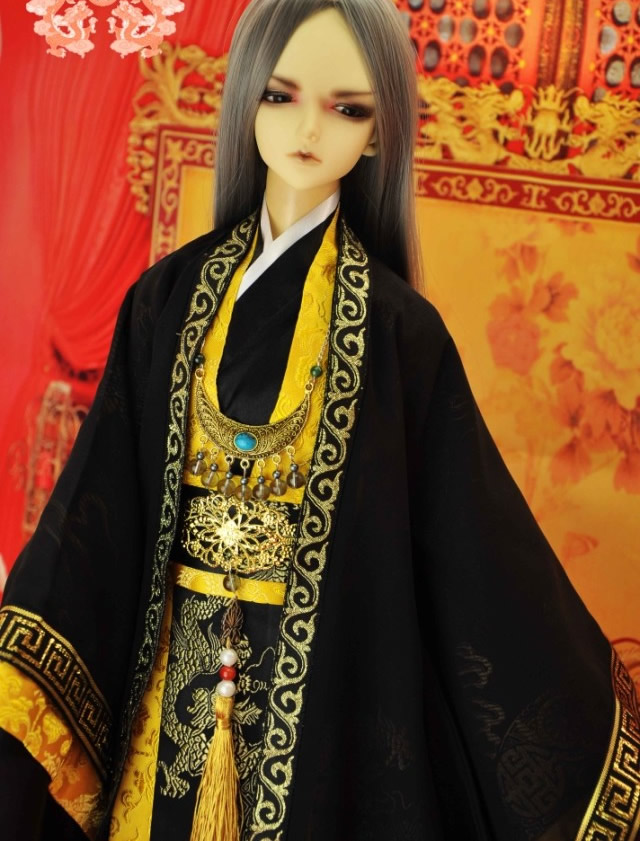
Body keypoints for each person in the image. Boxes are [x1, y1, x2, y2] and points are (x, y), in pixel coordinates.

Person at [1, 1, 638, 839]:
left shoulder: (401, 334)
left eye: (346, 108)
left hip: (327, 705)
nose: (308, 128)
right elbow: (97, 512)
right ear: (246, 100)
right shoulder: (165, 300)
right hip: (165, 693)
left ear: (377, 134)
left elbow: (479, 554)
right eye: (281, 95)